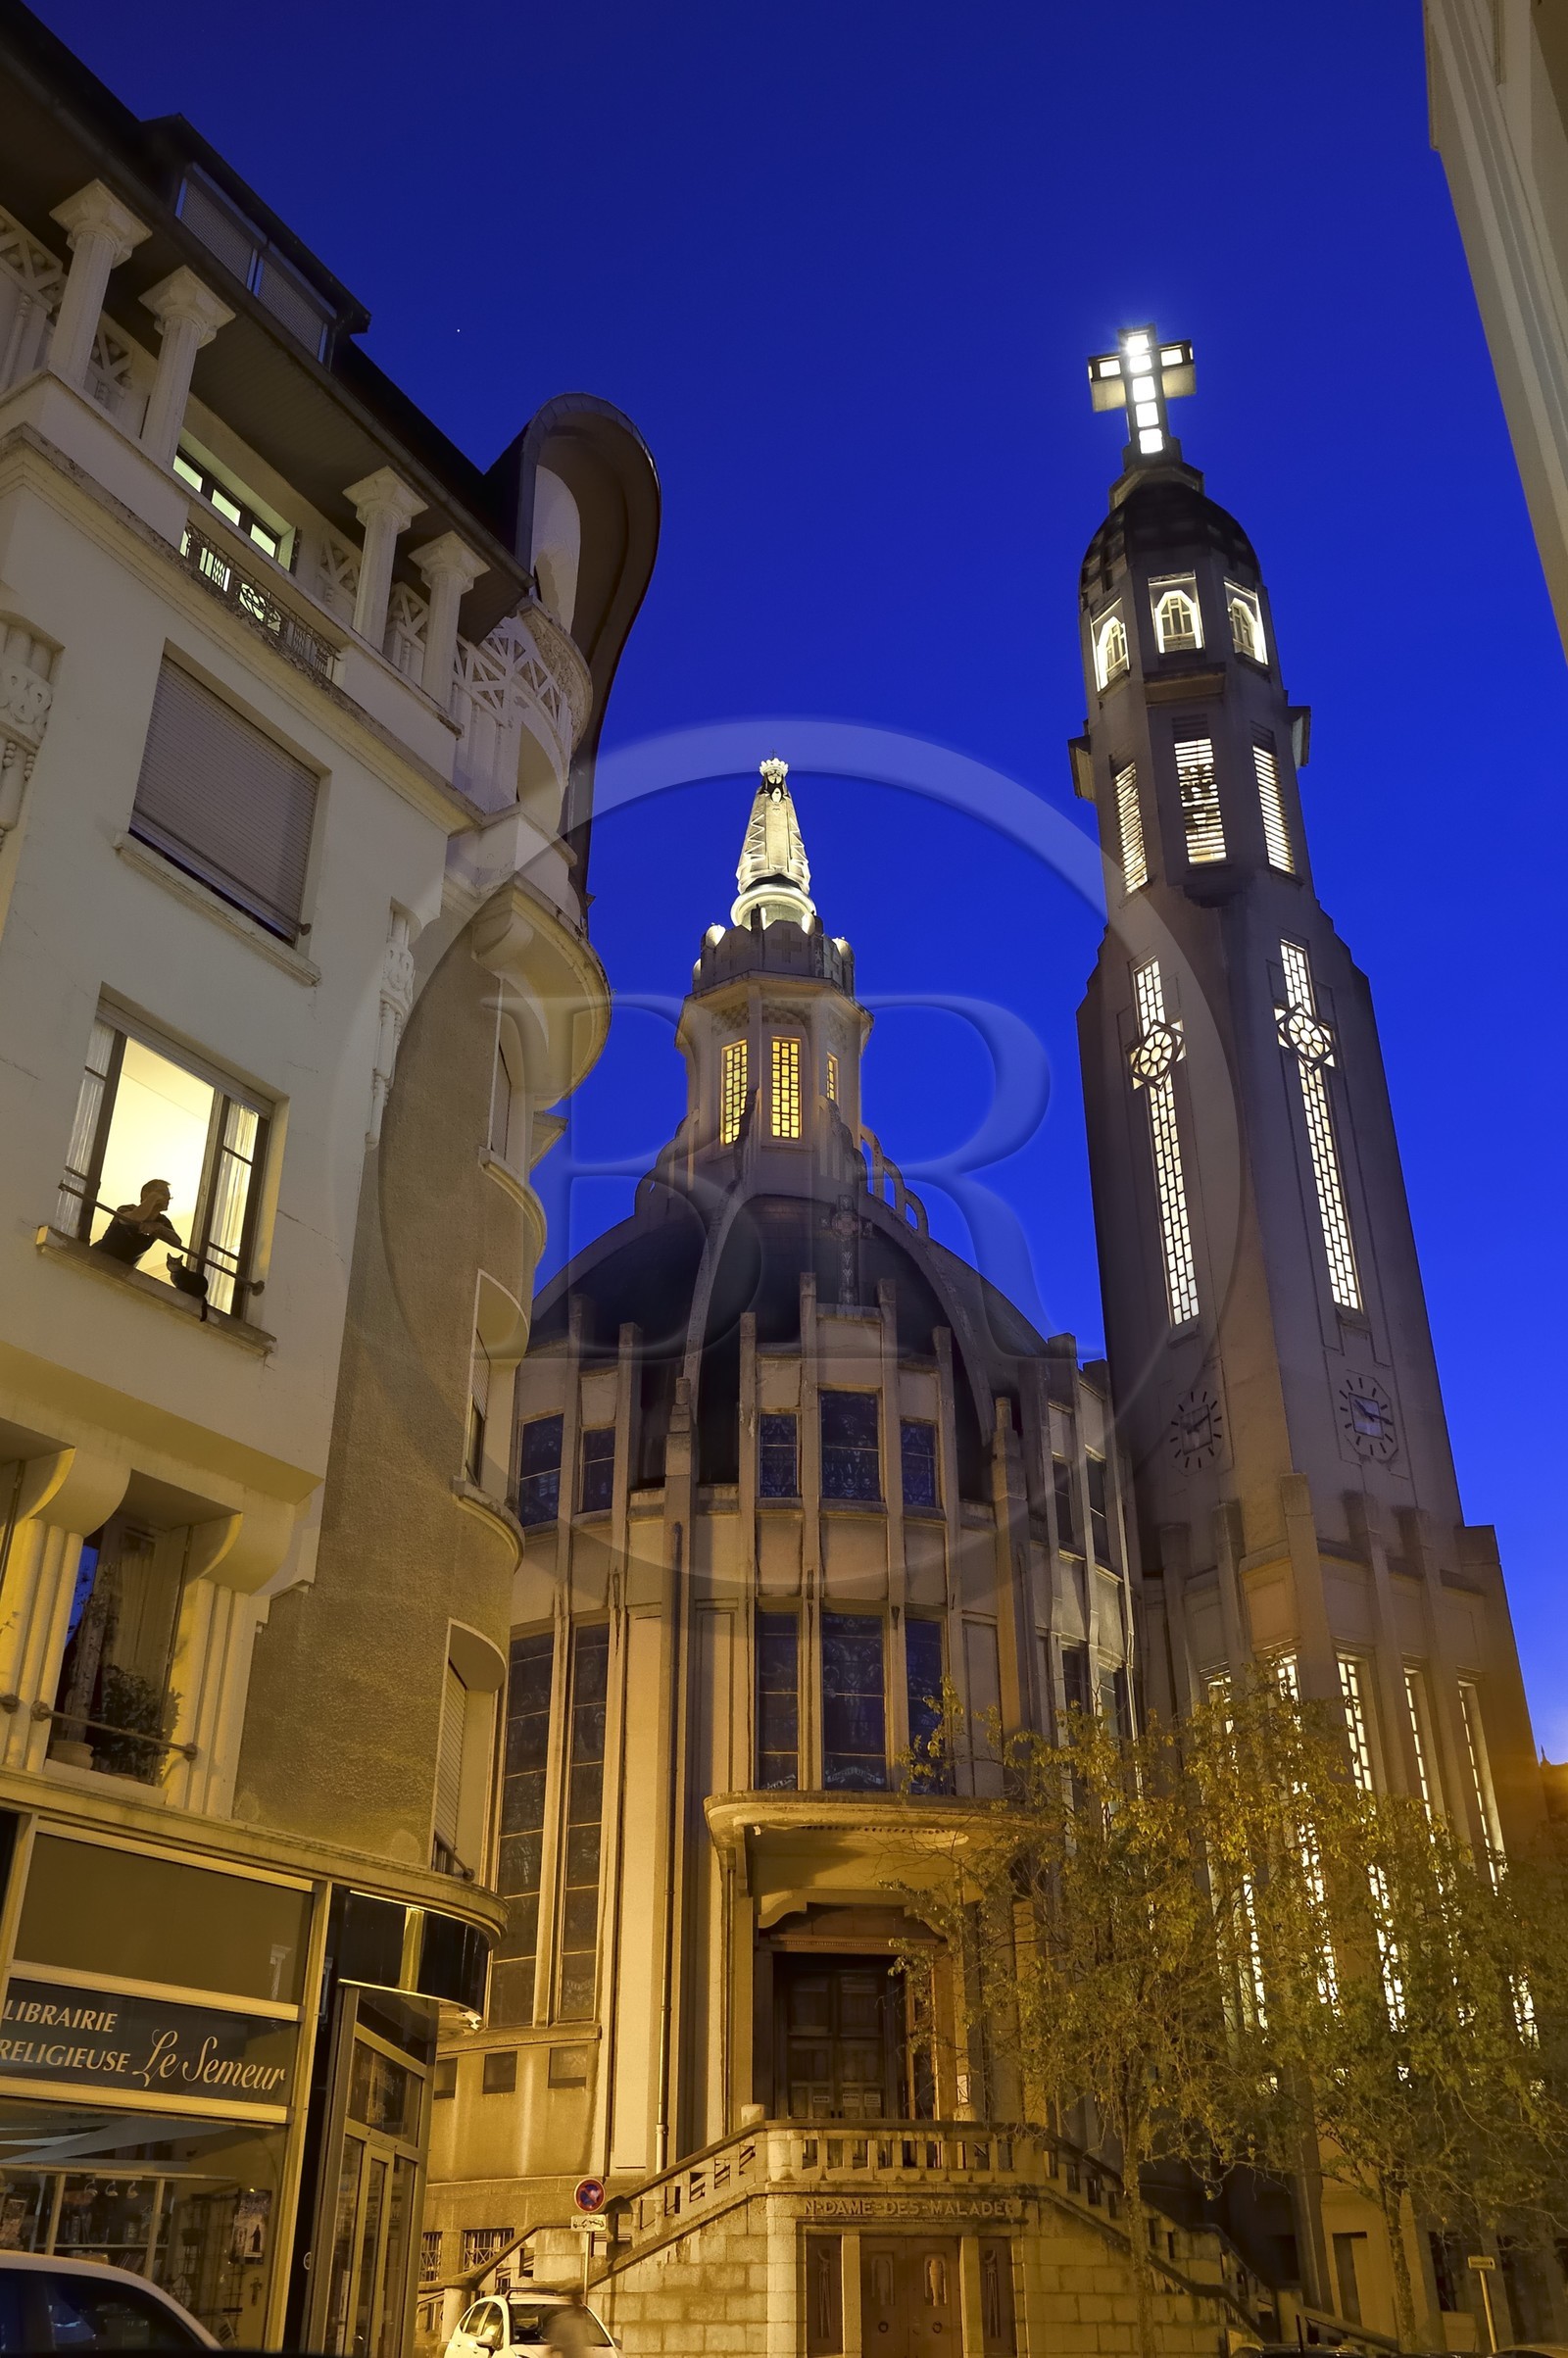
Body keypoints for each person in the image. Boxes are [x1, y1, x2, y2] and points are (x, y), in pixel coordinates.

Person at [92, 1178, 182, 1268]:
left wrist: (158, 1227)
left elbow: (177, 1242)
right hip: (96, 1259)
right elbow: (137, 1217)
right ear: (146, 1194)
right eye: (162, 1193)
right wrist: (153, 1197)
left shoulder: (162, 1221)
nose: (167, 1198)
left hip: (123, 1270)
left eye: (168, 1196)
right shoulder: (127, 1209)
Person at [543, 2287, 597, 2358]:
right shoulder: (563, 2321)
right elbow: (555, 2345)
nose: (580, 2307)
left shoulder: (584, 2321)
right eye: (578, 2303)